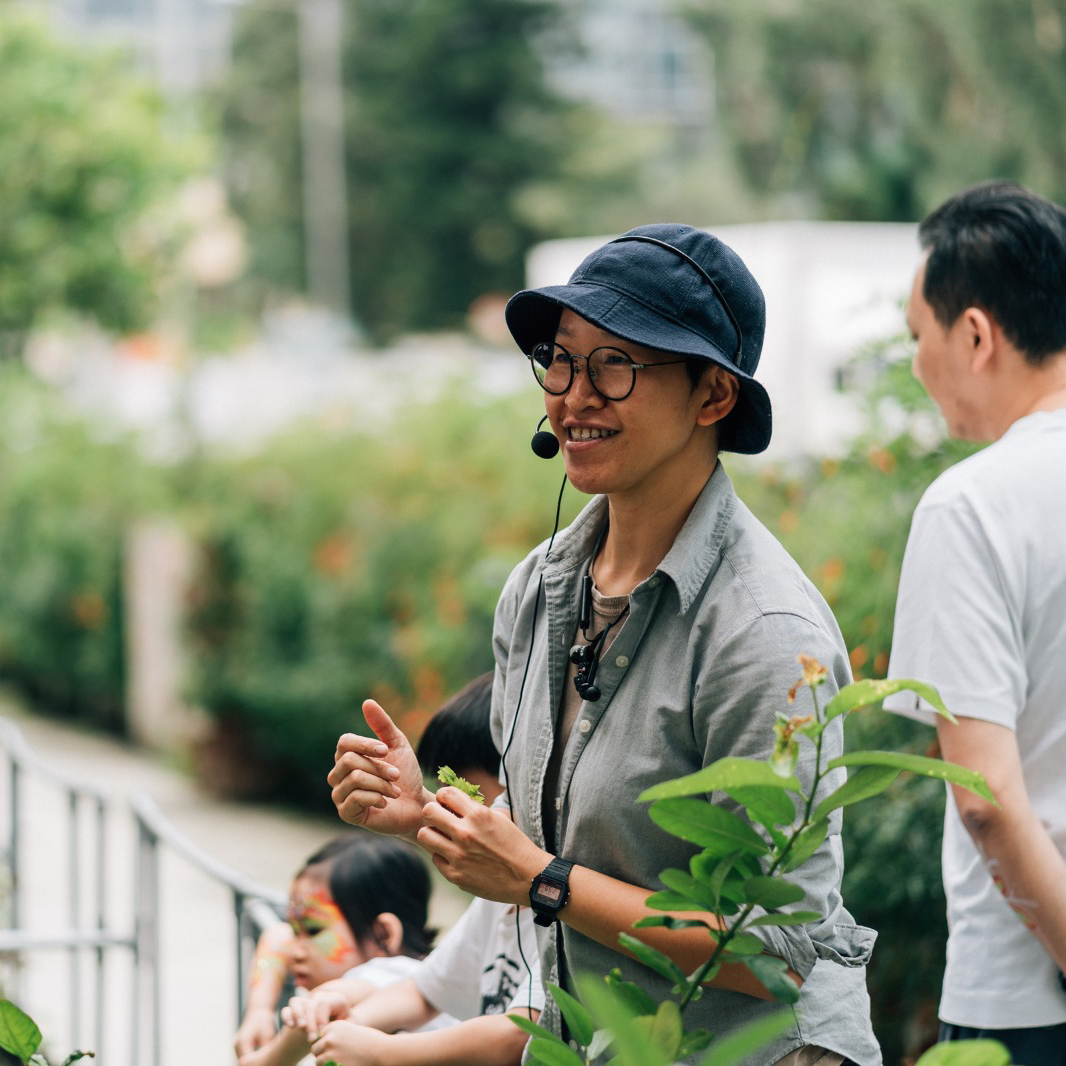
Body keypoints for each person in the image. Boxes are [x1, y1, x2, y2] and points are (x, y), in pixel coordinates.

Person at [327, 224, 881, 1064]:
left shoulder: (763, 636)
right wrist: (425, 808)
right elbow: (566, 836)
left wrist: (541, 885)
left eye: (616, 363)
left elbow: (773, 955)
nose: (574, 395)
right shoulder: (540, 590)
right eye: (563, 358)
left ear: (713, 396)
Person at [884, 181, 1066, 1064]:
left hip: (1028, 994)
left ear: (976, 334)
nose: (919, 362)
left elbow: (987, 801)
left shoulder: (971, 506)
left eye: (918, 336)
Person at [247, 672, 542, 1066]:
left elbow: (517, 1034)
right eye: (446, 795)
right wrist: (325, 1017)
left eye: (475, 798)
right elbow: (424, 991)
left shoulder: (559, 917)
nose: (457, 817)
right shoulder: (493, 906)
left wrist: (380, 1050)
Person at [236, 834, 436, 1065]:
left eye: (312, 931)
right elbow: (279, 936)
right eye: (296, 931)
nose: (296, 951)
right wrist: (259, 1011)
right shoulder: (435, 970)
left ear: (384, 934)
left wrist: (268, 1061)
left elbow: (324, 1005)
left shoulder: (399, 974)